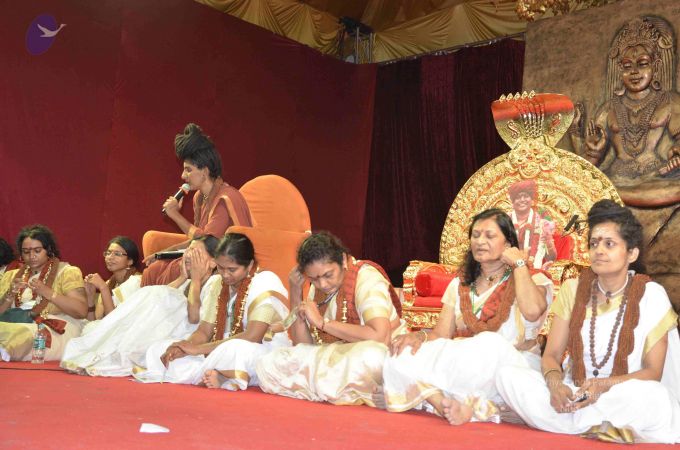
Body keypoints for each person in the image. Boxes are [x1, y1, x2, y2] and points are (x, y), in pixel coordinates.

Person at [496, 200, 680, 444]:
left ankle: (569, 422)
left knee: (655, 396)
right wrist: (555, 385)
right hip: (574, 391)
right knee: (508, 375)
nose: (599, 250)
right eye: (594, 243)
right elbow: (551, 355)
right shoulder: (573, 289)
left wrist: (603, 385)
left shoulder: (651, 295)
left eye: (609, 244)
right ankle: (598, 425)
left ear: (632, 253)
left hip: (621, 392)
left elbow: (652, 372)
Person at [381, 208, 553, 424]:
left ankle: (464, 402)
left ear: (508, 244)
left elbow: (533, 311)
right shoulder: (460, 284)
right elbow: (441, 334)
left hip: (512, 363)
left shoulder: (532, 279)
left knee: (490, 343)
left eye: (490, 236)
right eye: (476, 235)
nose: (480, 241)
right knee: (400, 353)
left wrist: (519, 264)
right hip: (468, 360)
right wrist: (418, 337)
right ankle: (442, 402)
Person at [255, 231, 406, 406]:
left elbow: (379, 337)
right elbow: (303, 346)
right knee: (270, 362)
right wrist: (295, 292)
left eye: (328, 275)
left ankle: (323, 386)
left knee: (372, 356)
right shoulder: (318, 289)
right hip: (337, 359)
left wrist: (322, 323)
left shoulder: (366, 278)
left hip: (382, 355)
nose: (323, 284)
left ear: (343, 259)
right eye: (313, 279)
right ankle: (333, 387)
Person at [135, 233, 290, 389]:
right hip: (219, 348)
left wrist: (196, 349)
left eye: (232, 269)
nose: (225, 275)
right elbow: (204, 332)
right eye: (221, 268)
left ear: (249, 265)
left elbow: (253, 336)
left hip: (260, 349)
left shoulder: (265, 282)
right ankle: (216, 373)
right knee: (160, 348)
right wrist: (185, 347)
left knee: (235, 351)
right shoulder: (218, 283)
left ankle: (220, 374)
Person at [60, 235, 221, 376]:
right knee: (151, 293)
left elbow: (194, 318)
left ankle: (109, 359)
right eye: (189, 250)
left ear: (213, 262)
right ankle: (102, 356)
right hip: (166, 327)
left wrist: (196, 279)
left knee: (154, 298)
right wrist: (182, 277)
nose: (189, 255)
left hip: (187, 333)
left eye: (196, 253)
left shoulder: (214, 282)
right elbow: (161, 295)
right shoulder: (187, 282)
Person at [142, 123, 252, 286]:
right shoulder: (199, 197)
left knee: (168, 270)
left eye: (188, 170)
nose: (183, 175)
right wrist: (163, 253)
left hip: (221, 263)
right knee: (154, 269)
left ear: (205, 171)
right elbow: (196, 241)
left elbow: (206, 242)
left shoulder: (225, 198)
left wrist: (176, 216)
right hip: (201, 254)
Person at [0, 225, 87, 361]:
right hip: (15, 322)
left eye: (37, 251)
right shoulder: (11, 276)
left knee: (20, 333)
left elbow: (80, 311)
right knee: (12, 331)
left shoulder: (67, 272)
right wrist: (9, 294)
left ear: (49, 250)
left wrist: (48, 292)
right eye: (26, 252)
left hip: (56, 327)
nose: (31, 256)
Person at [507, 179, 572, 270]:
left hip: (535, 272)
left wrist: (549, 244)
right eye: (518, 197)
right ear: (513, 201)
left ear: (532, 199)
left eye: (526, 196)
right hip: (507, 272)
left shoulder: (543, 223)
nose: (522, 200)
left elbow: (551, 258)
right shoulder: (504, 221)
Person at [83, 236, 141, 330]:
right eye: (108, 253)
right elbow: (94, 322)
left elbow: (115, 324)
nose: (110, 257)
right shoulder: (109, 283)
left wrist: (103, 288)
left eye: (117, 254)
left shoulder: (136, 281)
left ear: (130, 261)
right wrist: (90, 298)